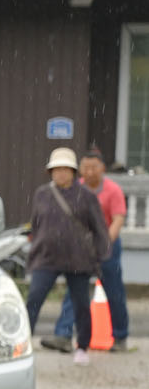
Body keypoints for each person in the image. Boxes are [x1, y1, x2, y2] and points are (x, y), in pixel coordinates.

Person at [28, 147, 110, 366]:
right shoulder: (42, 194)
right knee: (33, 299)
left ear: (73, 172)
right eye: (57, 169)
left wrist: (101, 255)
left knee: (81, 304)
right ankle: (23, 344)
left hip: (78, 258)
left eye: (65, 169)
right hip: (46, 257)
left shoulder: (87, 197)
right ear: (50, 172)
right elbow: (36, 224)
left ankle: (82, 346)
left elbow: (99, 229)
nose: (61, 173)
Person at [52, 144, 131, 352]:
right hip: (81, 247)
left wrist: (104, 244)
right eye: (85, 168)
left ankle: (120, 337)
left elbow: (118, 220)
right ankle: (63, 335)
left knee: (114, 291)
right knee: (75, 290)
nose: (89, 172)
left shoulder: (113, 190)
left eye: (93, 167)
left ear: (102, 168)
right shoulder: (74, 189)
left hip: (108, 246)